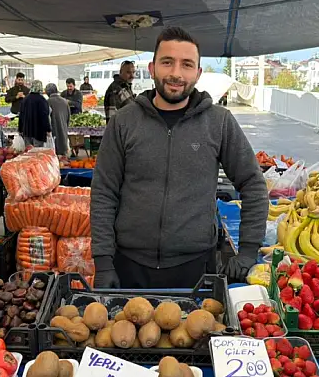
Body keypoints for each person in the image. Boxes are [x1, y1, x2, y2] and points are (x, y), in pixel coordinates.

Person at [91, 27, 268, 289]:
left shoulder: (218, 122)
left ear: (197, 73)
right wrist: (103, 262)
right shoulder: (124, 122)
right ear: (152, 69)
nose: (176, 73)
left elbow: (253, 184)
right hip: (129, 267)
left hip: (196, 269)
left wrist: (248, 252)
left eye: (186, 65)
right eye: (167, 62)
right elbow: (104, 191)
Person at [18, 81, 50, 147]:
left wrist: (20, 129)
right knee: (38, 153)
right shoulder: (42, 100)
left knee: (29, 152)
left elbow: (21, 115)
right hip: (39, 132)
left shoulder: (25, 99)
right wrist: (48, 129)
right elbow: (44, 116)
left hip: (27, 131)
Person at [46, 83, 70, 156]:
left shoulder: (48, 102)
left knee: (54, 153)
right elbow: (69, 116)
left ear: (48, 92)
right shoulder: (65, 101)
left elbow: (47, 118)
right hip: (64, 129)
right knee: (63, 155)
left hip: (54, 130)